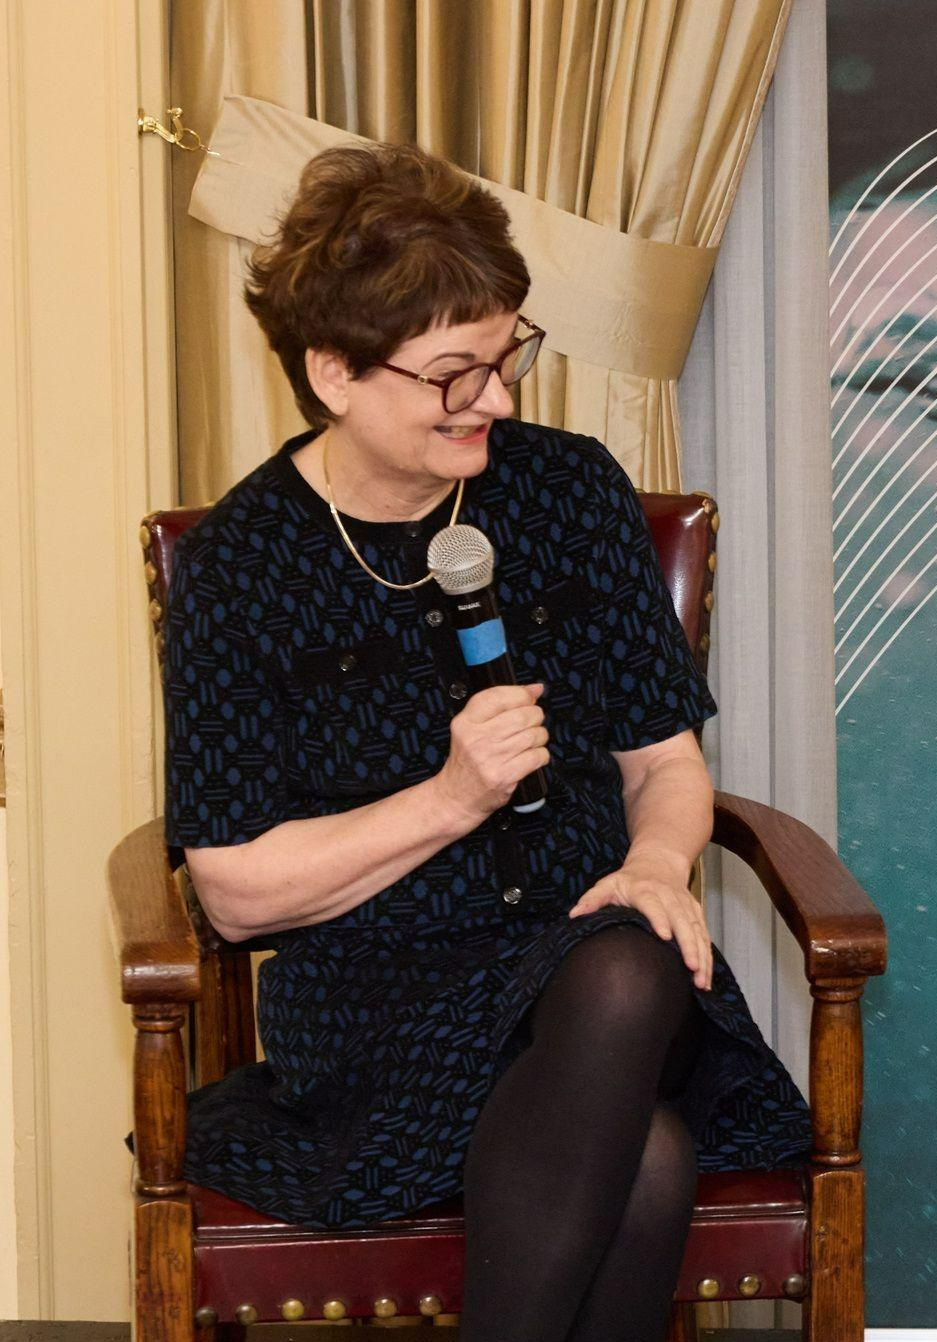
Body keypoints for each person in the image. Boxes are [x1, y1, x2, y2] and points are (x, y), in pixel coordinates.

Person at [160, 141, 809, 1341]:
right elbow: (234, 891)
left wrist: (659, 864)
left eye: (507, 357)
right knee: (649, 1159)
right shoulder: (242, 568)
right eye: (454, 376)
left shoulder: (564, 492)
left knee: (626, 954)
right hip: (375, 1016)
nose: (498, 402)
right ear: (335, 372)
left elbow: (663, 765)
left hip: (589, 965)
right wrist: (451, 798)